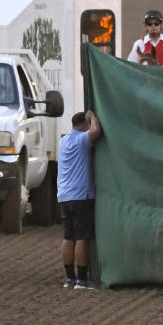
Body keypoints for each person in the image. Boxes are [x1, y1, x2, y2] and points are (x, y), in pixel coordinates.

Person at [57, 110, 104, 289]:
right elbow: (96, 132)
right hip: (80, 196)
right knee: (82, 238)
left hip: (64, 196)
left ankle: (69, 278)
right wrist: (93, 117)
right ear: (84, 124)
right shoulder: (81, 140)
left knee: (68, 237)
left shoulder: (63, 142)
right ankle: (82, 280)